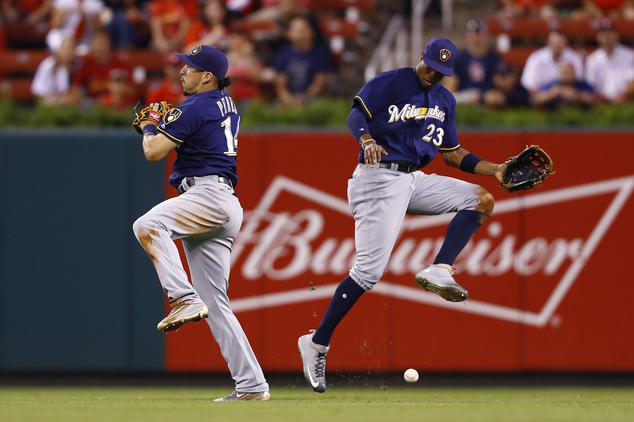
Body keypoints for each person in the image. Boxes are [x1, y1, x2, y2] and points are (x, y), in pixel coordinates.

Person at [297, 37, 508, 393]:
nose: (432, 75)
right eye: (430, 67)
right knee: (368, 273)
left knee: (481, 199)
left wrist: (495, 168)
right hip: (377, 175)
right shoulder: (391, 81)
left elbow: (453, 154)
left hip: (414, 178)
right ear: (420, 58)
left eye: (441, 72)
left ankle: (440, 268)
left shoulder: (445, 100)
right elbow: (355, 114)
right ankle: (316, 343)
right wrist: (365, 140)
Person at [132, 45, 270, 402]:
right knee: (217, 304)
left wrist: (150, 125)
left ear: (207, 76)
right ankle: (252, 385)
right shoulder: (226, 103)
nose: (182, 72)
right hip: (222, 203)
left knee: (147, 226)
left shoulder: (195, 105)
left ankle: (181, 297)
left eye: (189, 67)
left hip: (206, 197)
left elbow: (153, 152)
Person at [273, 15, 333, 107]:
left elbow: (320, 82)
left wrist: (305, 99)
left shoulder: (321, 54)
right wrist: (289, 100)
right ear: (289, 34)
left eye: (303, 29)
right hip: (289, 100)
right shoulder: (283, 55)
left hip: (314, 100)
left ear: (312, 32)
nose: (300, 32)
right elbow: (281, 85)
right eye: (296, 29)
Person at [64, 29, 132, 104]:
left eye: (102, 44)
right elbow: (76, 88)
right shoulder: (86, 65)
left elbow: (133, 89)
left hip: (120, 104)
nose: (99, 48)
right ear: (92, 46)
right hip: (94, 105)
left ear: (109, 44)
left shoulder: (121, 63)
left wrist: (120, 89)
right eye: (97, 44)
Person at [444, 20, 503, 105]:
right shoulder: (459, 59)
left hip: (488, 99)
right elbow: (449, 89)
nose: (476, 38)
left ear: (486, 36)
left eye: (479, 35)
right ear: (467, 37)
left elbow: (500, 85)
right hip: (466, 98)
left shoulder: (494, 59)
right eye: (473, 34)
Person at [520, 30, 583, 102]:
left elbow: (579, 80)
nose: (558, 45)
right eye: (555, 42)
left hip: (570, 95)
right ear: (548, 43)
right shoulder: (536, 59)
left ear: (566, 43)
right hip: (543, 95)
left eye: (561, 42)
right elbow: (529, 84)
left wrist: (563, 91)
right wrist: (549, 93)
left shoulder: (574, 57)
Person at [584, 18, 634, 102]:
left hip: (627, 100)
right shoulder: (592, 59)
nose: (606, 36)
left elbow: (632, 81)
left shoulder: (630, 55)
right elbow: (591, 85)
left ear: (617, 35)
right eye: (603, 33)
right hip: (601, 102)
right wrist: (604, 99)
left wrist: (625, 95)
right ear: (598, 36)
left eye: (609, 32)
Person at [31, 36, 77, 104]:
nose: (69, 52)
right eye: (67, 48)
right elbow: (38, 92)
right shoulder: (48, 64)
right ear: (60, 49)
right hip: (51, 106)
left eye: (72, 48)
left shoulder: (78, 66)